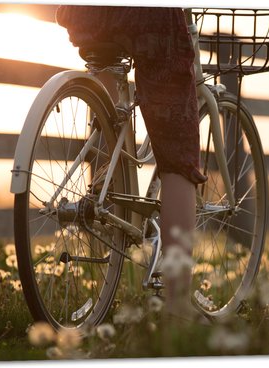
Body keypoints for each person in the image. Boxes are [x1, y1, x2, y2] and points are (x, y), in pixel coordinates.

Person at [56, 5, 207, 321]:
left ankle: (106, 187)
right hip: (149, 15)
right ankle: (178, 306)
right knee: (178, 157)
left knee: (107, 83)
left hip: (84, 12)